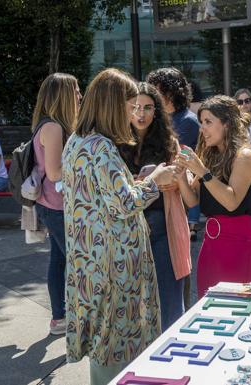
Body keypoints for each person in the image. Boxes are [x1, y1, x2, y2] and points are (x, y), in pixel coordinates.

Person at [62, 68, 178, 385]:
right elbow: (124, 203)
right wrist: (155, 180)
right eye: (129, 106)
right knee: (114, 346)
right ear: (113, 105)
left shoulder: (76, 140)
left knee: (104, 343)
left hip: (91, 261)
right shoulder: (100, 145)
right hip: (113, 265)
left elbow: (103, 197)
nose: (133, 113)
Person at [117, 81, 188, 331]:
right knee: (133, 303)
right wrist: (150, 181)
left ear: (156, 111)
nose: (141, 113)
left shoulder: (169, 142)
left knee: (169, 301)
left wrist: (167, 178)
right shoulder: (114, 143)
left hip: (162, 227)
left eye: (147, 107)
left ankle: (173, 354)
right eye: (135, 107)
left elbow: (179, 183)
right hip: (127, 232)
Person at [175, 95, 251, 299]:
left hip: (238, 246)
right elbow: (193, 201)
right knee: (205, 307)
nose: (202, 128)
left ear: (227, 124)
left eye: (208, 122)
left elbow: (231, 202)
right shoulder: (211, 155)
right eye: (201, 122)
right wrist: (180, 177)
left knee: (232, 309)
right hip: (210, 246)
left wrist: (203, 171)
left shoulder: (245, 157)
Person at [31, 73, 82, 335]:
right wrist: (87, 166)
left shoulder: (48, 124)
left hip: (53, 204)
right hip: (57, 205)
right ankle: (71, 316)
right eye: (75, 91)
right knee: (76, 260)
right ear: (62, 95)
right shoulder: (53, 128)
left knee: (60, 260)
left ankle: (59, 318)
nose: (80, 96)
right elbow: (54, 173)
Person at [146, 67, 202, 241]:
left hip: (175, 193)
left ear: (171, 92)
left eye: (157, 90)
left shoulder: (187, 121)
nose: (152, 95)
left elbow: (175, 160)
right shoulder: (158, 118)